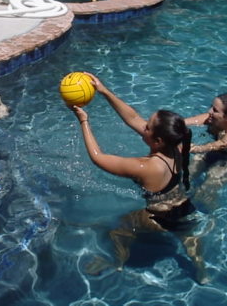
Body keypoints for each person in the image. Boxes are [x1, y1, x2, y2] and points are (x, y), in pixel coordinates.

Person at [71, 72, 207, 284]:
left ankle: (116, 263)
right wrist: (104, 90)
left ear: (158, 140)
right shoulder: (178, 147)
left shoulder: (147, 167)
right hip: (185, 207)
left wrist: (84, 121)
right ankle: (201, 271)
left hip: (158, 218)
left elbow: (98, 158)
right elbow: (132, 118)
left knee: (119, 230)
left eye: (148, 126)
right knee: (186, 237)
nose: (142, 125)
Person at [185, 93, 227, 211]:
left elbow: (220, 144)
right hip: (212, 154)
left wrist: (194, 148)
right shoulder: (211, 118)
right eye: (211, 106)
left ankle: (213, 217)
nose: (210, 111)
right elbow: (181, 122)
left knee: (203, 193)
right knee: (183, 179)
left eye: (215, 110)